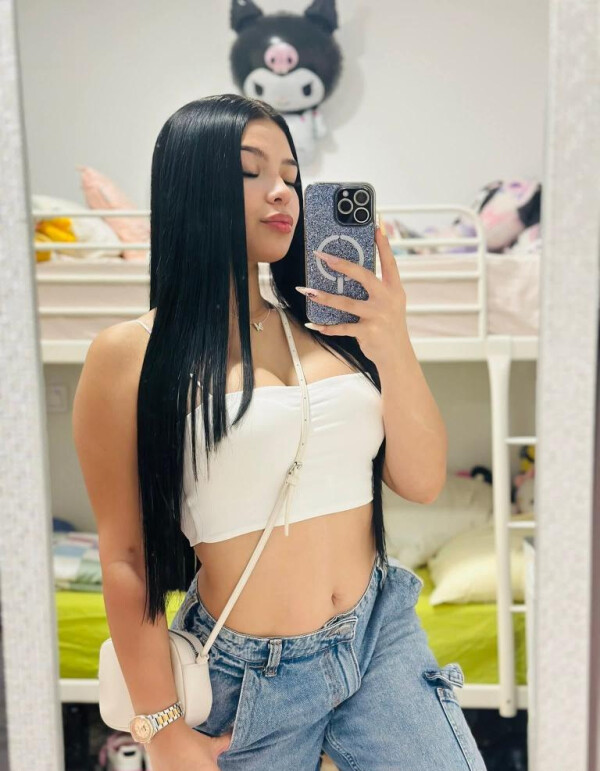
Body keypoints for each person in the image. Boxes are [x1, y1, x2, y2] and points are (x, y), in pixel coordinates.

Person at [73, 94, 487, 770]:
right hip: (249, 671)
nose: (282, 192)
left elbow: (421, 480)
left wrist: (393, 340)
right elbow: (126, 556)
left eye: (292, 176)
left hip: (377, 633)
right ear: (191, 186)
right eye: (252, 171)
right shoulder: (130, 355)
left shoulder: (328, 328)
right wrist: (162, 729)